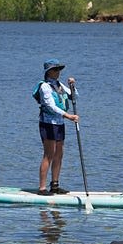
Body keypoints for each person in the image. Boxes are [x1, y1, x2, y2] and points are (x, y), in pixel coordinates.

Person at [34, 62, 78, 193]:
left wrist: (73, 86)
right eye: (55, 69)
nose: (58, 72)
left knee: (59, 154)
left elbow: (74, 96)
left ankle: (55, 186)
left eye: (59, 69)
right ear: (48, 72)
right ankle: (42, 188)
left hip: (59, 123)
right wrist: (68, 116)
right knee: (49, 154)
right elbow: (50, 106)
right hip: (48, 123)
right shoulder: (45, 87)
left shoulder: (59, 85)